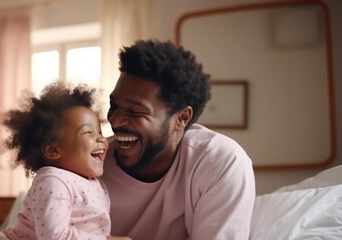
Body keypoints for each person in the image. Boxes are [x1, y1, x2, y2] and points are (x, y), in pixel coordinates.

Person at [100, 39, 256, 240]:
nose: (115, 120)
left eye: (135, 111)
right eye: (114, 105)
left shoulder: (217, 163)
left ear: (181, 118)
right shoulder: (89, 165)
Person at [0, 82, 131, 240]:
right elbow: (54, 237)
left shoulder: (95, 184)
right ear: (53, 150)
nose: (101, 139)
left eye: (99, 132)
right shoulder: (53, 181)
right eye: (88, 133)